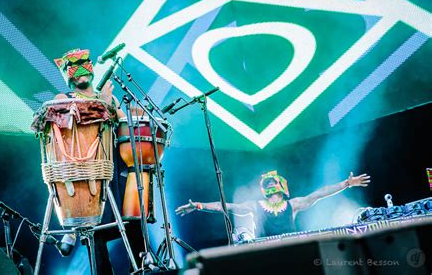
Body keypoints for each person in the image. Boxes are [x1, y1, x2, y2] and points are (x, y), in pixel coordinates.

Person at [53, 48, 144, 274]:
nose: (81, 69)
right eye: (75, 65)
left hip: (112, 170)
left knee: (134, 220)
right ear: (68, 74)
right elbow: (67, 122)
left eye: (85, 62)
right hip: (86, 175)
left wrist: (134, 117)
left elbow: (126, 128)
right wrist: (102, 105)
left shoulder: (109, 98)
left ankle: (145, 268)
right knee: (96, 232)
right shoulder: (63, 98)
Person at [175, 170, 371, 238]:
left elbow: (320, 193)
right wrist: (199, 205)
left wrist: (346, 183)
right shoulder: (255, 205)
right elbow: (224, 206)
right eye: (267, 183)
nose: (271, 185)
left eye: (273, 182)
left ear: (281, 186)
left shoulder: (293, 204)